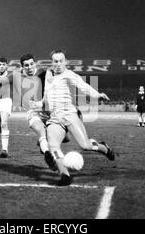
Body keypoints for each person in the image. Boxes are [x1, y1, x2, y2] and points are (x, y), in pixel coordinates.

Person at [40, 49, 115, 186]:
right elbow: (46, 95)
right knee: (53, 146)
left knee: (85, 145)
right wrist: (39, 104)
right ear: (52, 63)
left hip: (69, 114)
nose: (58, 64)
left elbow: (83, 86)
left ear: (65, 62)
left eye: (60, 61)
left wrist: (97, 95)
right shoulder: (48, 75)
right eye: (55, 61)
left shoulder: (69, 74)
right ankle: (64, 175)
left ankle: (103, 148)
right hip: (55, 117)